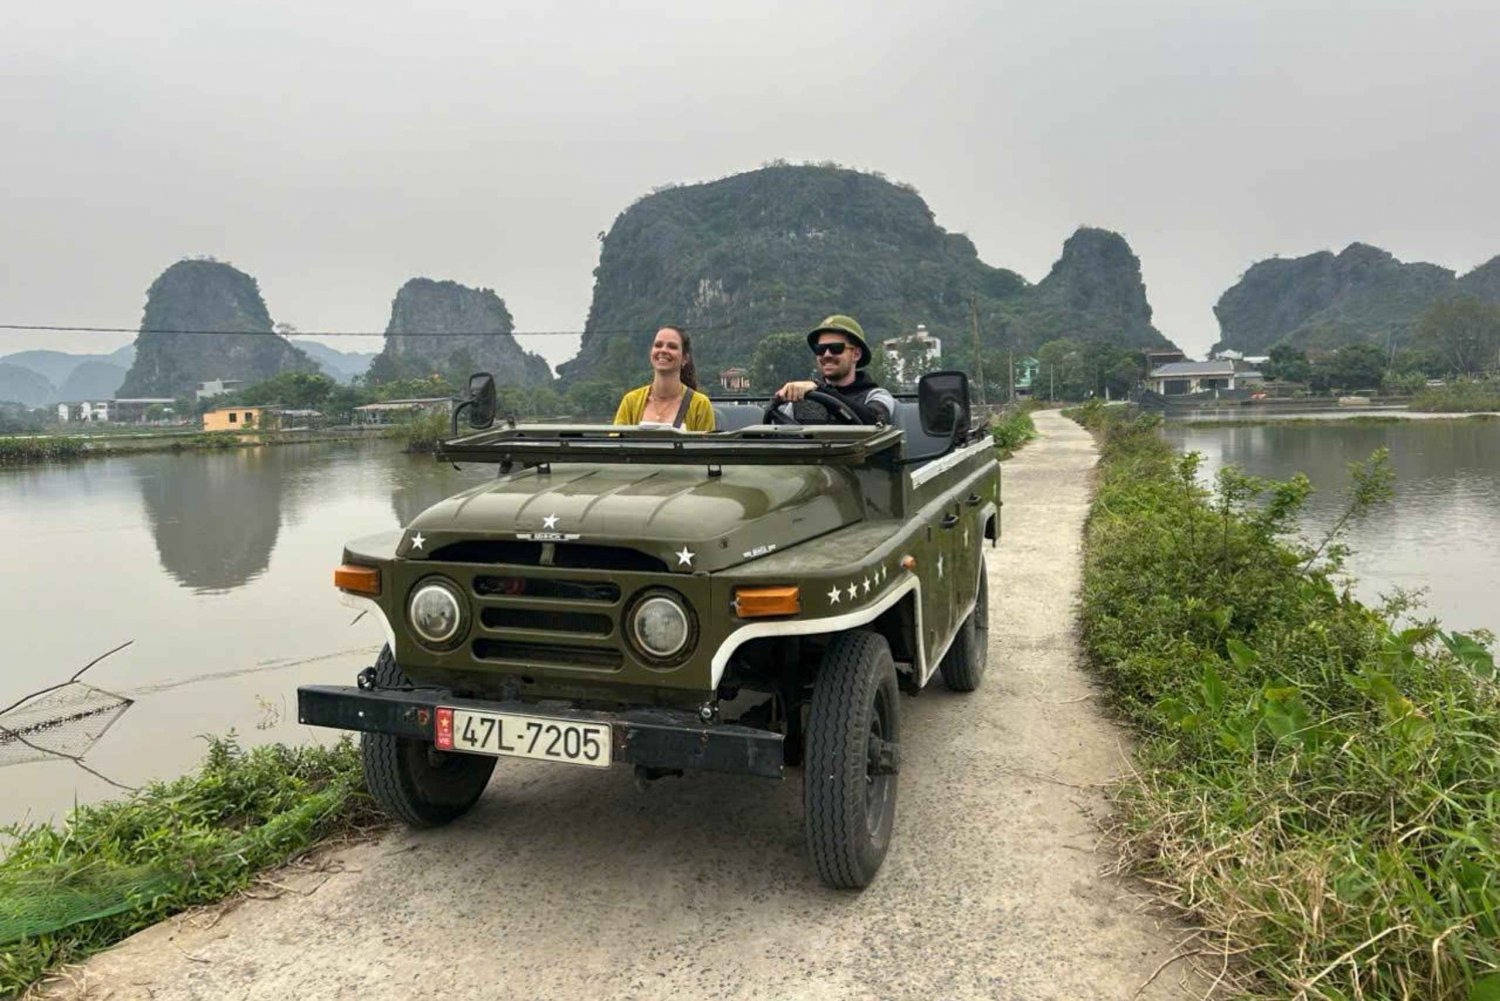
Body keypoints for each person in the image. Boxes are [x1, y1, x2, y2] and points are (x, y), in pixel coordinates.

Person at [774, 314, 895, 424]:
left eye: (836, 348)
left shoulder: (876, 396)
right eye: (820, 349)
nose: (827, 355)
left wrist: (820, 390)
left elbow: (874, 421)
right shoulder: (801, 400)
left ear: (856, 354)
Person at [613, 325, 716, 431]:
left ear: (685, 358)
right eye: (658, 345)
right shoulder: (630, 402)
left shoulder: (700, 405)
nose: (663, 350)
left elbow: (706, 446)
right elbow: (615, 444)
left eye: (672, 346)